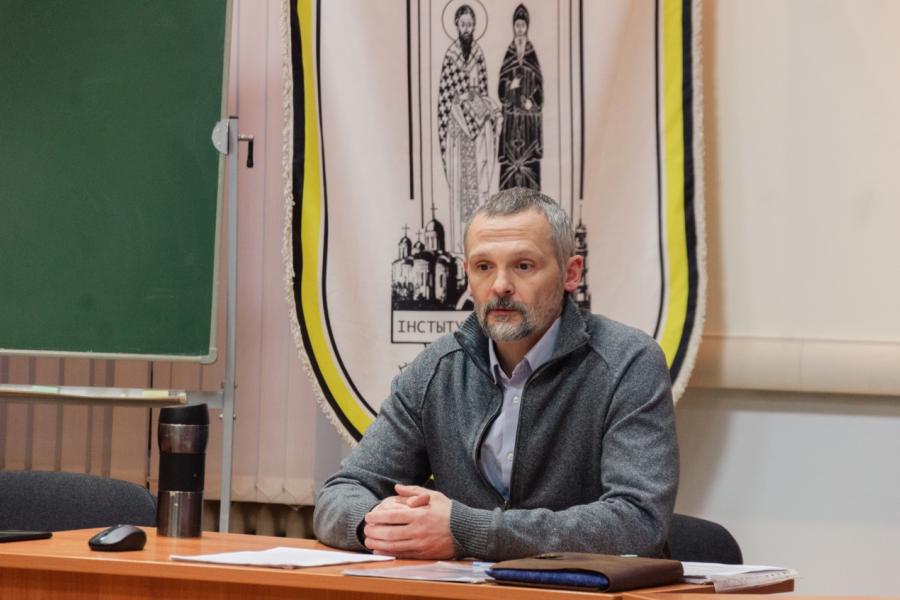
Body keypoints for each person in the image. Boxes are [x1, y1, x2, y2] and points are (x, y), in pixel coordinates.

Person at [314, 188, 678, 561]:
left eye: (524, 266)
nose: (500, 285)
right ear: (467, 275)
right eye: (484, 267)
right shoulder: (437, 369)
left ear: (571, 274)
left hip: (583, 588)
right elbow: (340, 494)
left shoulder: (628, 362)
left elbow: (638, 522)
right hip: (460, 587)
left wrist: (467, 531)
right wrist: (381, 523)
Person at [437, 4, 500, 254]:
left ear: (474, 27)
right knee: (462, 192)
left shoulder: (478, 54)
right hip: (458, 132)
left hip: (477, 137)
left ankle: (480, 241)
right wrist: (461, 102)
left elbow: (482, 91)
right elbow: (446, 98)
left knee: (478, 189)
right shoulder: (451, 56)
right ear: (456, 26)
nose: (466, 29)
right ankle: (461, 246)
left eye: (470, 25)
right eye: (463, 24)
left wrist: (486, 108)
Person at [498, 4, 543, 190]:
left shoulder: (532, 54)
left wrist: (532, 102)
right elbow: (501, 88)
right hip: (512, 118)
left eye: (523, 25)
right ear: (513, 27)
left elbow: (539, 85)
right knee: (510, 164)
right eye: (517, 25)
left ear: (527, 27)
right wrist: (510, 86)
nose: (520, 29)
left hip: (528, 119)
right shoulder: (509, 53)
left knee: (529, 163)